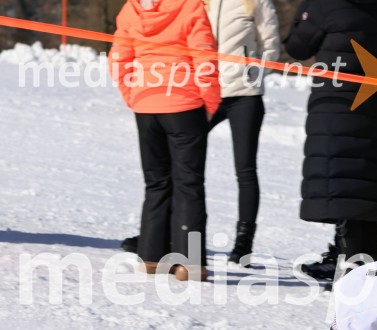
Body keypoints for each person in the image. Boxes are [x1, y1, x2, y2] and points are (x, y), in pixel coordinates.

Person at [284, 0, 377, 282]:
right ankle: (361, 269)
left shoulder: (325, 5)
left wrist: (303, 13)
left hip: (333, 108)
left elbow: (297, 47)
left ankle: (350, 276)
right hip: (369, 111)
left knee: (342, 190)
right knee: (360, 194)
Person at [110, 0, 221, 281]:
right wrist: (210, 103)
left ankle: (151, 256)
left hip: (146, 104)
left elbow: (119, 59)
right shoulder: (190, 6)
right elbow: (204, 57)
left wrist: (133, 94)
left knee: (156, 181)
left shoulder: (131, 8)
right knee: (188, 182)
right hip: (184, 103)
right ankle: (190, 263)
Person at [206, 0, 280, 267]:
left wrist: (255, 73)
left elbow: (271, 45)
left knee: (245, 169)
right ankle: (169, 231)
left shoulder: (256, 1)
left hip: (244, 95)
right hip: (207, 92)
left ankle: (243, 245)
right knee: (182, 162)